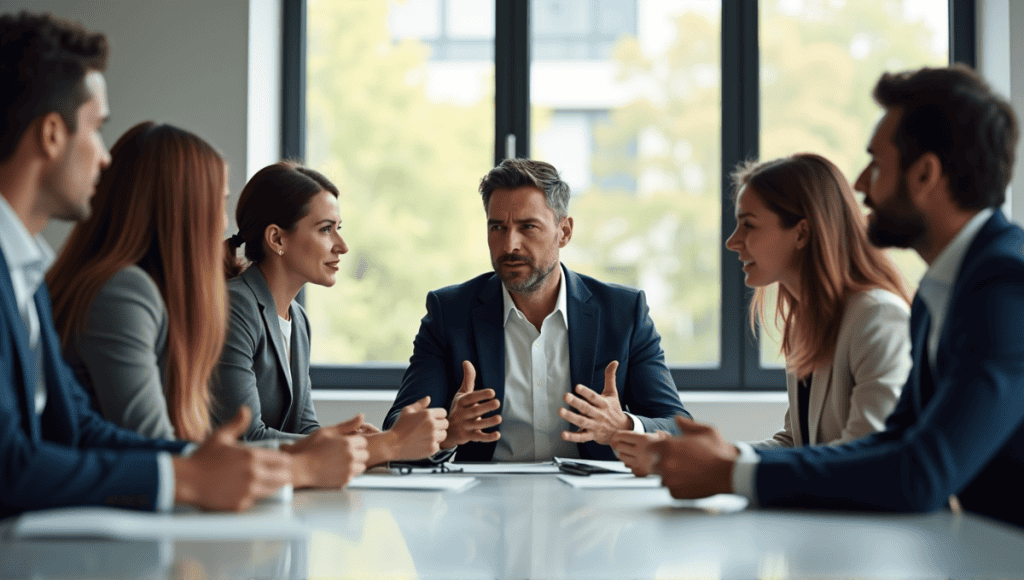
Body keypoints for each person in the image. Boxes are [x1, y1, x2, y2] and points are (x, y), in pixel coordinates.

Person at [646, 65, 1024, 529]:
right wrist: (727, 461)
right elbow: (894, 442)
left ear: (925, 174)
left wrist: (733, 473)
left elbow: (924, 471)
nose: (861, 184)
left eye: (877, 164)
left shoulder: (1005, 287)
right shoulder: (939, 292)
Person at [0, 10, 295, 515]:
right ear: (52, 134)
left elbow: (80, 426)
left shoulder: (24, 273)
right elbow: (9, 465)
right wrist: (185, 476)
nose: (104, 156)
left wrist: (203, 464)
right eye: (95, 128)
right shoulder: (94, 286)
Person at [47, 124, 368, 491]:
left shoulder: (141, 293)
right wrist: (314, 461)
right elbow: (158, 450)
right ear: (178, 211)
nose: (223, 223)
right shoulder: (124, 293)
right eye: (218, 203)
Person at [612, 153, 913, 475]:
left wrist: (721, 465)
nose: (732, 242)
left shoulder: (878, 318)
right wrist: (699, 455)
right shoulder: (807, 324)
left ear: (801, 232)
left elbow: (865, 457)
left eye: (749, 225)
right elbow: (796, 443)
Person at [384, 158, 690, 462]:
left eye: (527, 227)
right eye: (497, 227)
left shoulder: (623, 313)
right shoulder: (450, 314)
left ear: (564, 232)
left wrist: (623, 426)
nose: (509, 245)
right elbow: (396, 429)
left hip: (592, 501)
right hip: (482, 501)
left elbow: (679, 429)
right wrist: (448, 433)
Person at [216, 161, 448, 466]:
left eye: (338, 229)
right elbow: (245, 438)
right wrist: (376, 446)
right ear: (277, 239)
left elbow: (304, 429)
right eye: (326, 229)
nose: (342, 246)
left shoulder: (297, 320)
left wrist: (353, 440)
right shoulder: (237, 307)